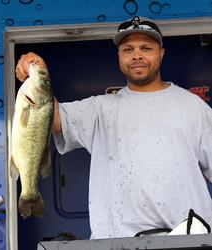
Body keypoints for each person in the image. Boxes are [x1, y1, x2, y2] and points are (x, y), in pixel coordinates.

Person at [15, 16, 212, 239]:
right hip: (116, 241)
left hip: (187, 240)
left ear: (161, 53)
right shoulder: (100, 108)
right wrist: (39, 71)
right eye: (128, 49)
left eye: (146, 48)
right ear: (119, 56)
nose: (137, 55)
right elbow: (52, 118)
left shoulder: (193, 106)